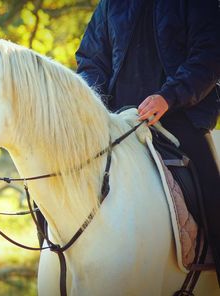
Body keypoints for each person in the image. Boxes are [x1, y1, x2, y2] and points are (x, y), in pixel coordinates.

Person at [75, 0, 220, 284]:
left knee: (215, 198)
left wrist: (168, 97)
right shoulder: (109, 5)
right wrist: (94, 108)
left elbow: (209, 56)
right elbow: (91, 61)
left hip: (182, 118)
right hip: (117, 122)